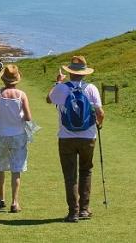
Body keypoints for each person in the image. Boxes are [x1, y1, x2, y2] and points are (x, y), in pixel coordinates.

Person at [47, 55, 104, 223]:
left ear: (69, 72)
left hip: (66, 137)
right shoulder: (91, 88)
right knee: (86, 171)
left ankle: (73, 212)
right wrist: (99, 125)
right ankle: (84, 210)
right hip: (88, 136)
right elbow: (100, 113)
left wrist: (58, 82)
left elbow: (48, 99)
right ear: (84, 73)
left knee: (70, 175)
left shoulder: (62, 88)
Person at [0, 64, 32, 213]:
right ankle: (15, 202)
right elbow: (28, 117)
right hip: (18, 134)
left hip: (0, 134)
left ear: (3, 79)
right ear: (16, 80)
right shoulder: (22, 95)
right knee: (16, 169)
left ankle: (1, 198)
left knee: (1, 167)